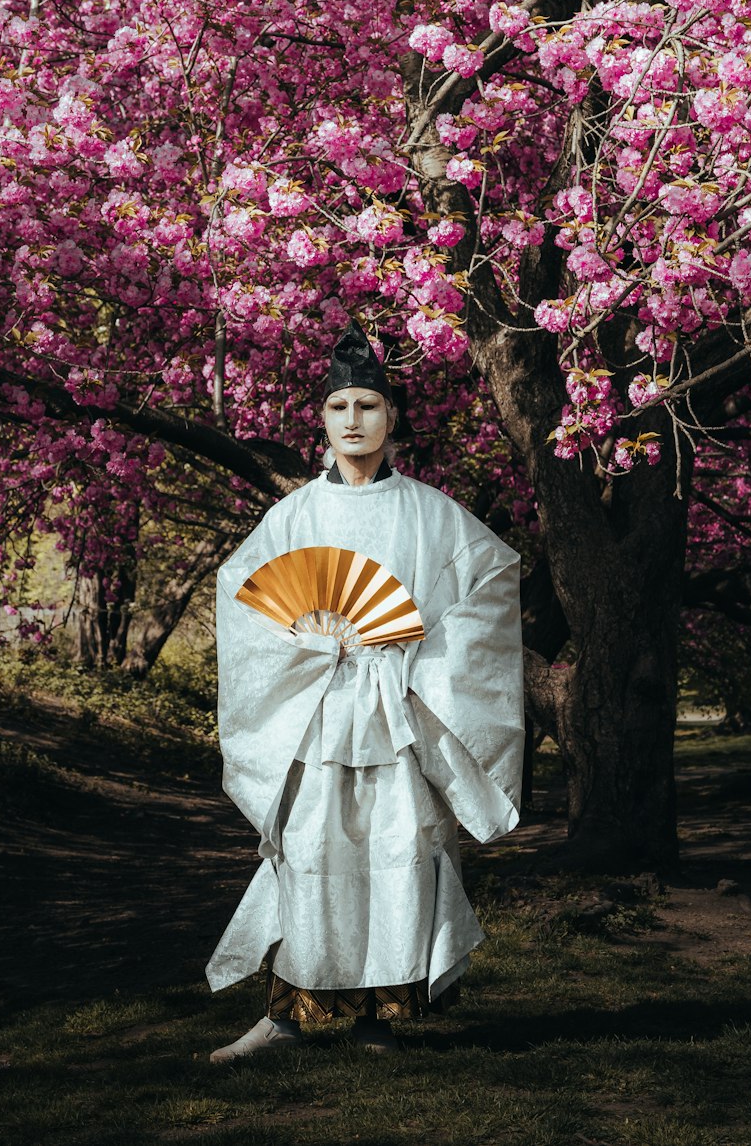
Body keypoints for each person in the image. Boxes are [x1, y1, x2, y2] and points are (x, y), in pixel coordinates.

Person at [205, 321, 524, 1060]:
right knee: (306, 849)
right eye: (340, 407)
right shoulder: (293, 517)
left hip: (396, 709)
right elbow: (244, 602)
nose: (354, 422)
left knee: (393, 850)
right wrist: (310, 649)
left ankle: (382, 1014)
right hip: (316, 712)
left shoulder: (430, 512)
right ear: (322, 417)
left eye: (368, 407)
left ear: (393, 417)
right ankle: (285, 1016)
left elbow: (491, 580)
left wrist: (419, 656)